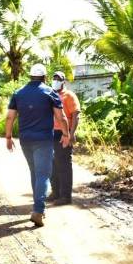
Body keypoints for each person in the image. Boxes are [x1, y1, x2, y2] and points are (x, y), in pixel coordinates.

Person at [5, 63, 70, 227]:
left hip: (25, 140)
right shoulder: (50, 92)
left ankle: (38, 207)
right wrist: (66, 133)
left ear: (30, 76)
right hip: (44, 140)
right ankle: (39, 210)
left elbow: (10, 117)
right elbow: (61, 117)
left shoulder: (18, 93)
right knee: (43, 174)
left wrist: (8, 136)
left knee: (35, 173)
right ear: (45, 77)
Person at [48, 71, 81, 206]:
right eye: (54, 78)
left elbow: (76, 115)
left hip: (64, 133)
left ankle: (65, 196)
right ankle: (55, 192)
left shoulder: (69, 95)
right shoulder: (51, 95)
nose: (55, 80)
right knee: (52, 165)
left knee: (64, 165)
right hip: (51, 133)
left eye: (58, 78)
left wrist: (71, 134)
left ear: (63, 81)